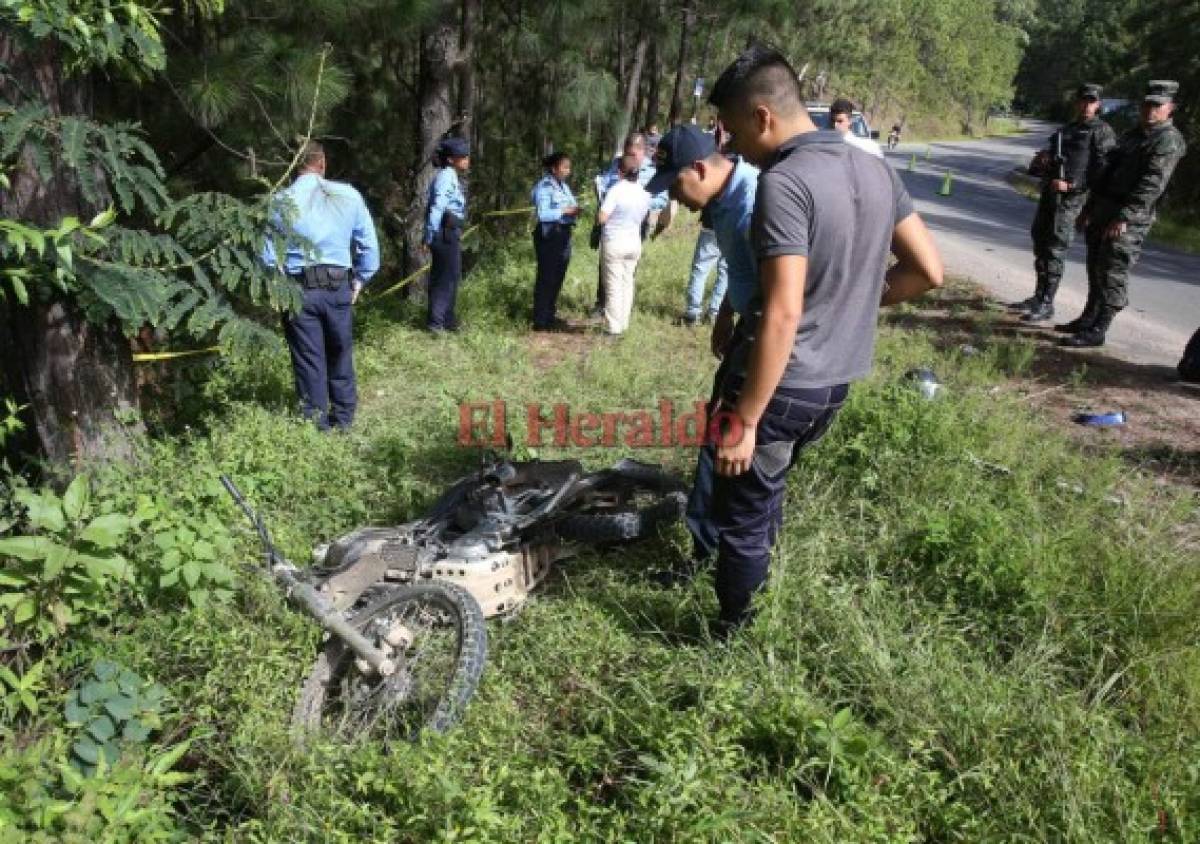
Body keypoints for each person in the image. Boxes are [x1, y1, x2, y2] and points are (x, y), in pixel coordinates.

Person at [702, 45, 943, 632]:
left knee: (741, 514)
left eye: (734, 132)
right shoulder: (876, 168)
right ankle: (758, 605)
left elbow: (783, 313)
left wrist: (749, 418)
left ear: (763, 116)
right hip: (836, 380)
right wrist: (857, 302)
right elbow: (928, 271)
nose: (734, 149)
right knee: (766, 493)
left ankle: (732, 639)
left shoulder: (785, 182)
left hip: (782, 383)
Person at [640, 125, 760, 583]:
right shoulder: (724, 201)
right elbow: (743, 270)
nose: (678, 198)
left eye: (676, 185)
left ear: (699, 168)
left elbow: (783, 296)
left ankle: (712, 561)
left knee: (723, 445)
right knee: (720, 440)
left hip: (770, 336)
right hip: (749, 326)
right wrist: (727, 314)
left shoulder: (755, 203)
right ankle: (719, 552)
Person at [262, 141, 380, 431]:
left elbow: (266, 256)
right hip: (338, 285)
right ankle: (344, 422)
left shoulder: (279, 202)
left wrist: (278, 287)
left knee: (308, 359)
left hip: (298, 289)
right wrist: (360, 279)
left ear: (292, 166)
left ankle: (317, 426)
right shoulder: (348, 195)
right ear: (322, 162)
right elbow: (369, 247)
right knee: (340, 352)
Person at [1061, 80, 1187, 348]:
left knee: (1113, 271)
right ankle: (1088, 318)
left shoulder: (1168, 140)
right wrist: (1090, 207)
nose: (1150, 110)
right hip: (1105, 208)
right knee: (1096, 267)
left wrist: (1125, 217)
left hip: (1129, 217)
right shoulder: (1133, 135)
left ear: (1170, 108)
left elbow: (1152, 183)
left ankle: (1099, 329)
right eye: (1146, 105)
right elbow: (1107, 173)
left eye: (1157, 106)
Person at [1019, 84, 1115, 323]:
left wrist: (1073, 186)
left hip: (1072, 201)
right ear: (1077, 102)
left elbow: (1103, 172)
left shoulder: (1101, 131)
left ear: (1098, 104)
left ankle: (1047, 303)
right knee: (1040, 244)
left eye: (1091, 101)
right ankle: (1038, 295)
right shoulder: (1066, 130)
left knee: (1055, 248)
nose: (1086, 105)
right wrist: (1042, 162)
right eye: (1083, 100)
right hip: (1050, 195)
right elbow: (1044, 163)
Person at [590, 134, 669, 315]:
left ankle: (621, 309)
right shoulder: (615, 165)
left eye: (633, 155)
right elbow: (604, 185)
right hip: (610, 221)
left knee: (627, 267)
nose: (629, 158)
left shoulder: (651, 170)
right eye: (627, 154)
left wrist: (638, 203)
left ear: (642, 152)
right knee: (606, 264)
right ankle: (602, 303)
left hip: (636, 223)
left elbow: (661, 198)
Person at [597, 154, 652, 336]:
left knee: (613, 285)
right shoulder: (644, 192)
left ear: (620, 172)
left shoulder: (616, 190)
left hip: (614, 241)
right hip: (634, 241)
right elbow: (644, 217)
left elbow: (602, 217)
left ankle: (613, 328)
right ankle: (623, 323)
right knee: (627, 283)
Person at [424, 137, 470, 334]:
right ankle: (436, 323)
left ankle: (448, 320)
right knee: (444, 278)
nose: (467, 159)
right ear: (451, 159)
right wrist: (429, 235)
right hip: (443, 233)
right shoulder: (446, 176)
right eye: (463, 156)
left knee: (452, 276)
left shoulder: (451, 175)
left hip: (450, 232)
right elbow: (437, 206)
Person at [531, 152, 581, 330]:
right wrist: (564, 212)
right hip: (549, 235)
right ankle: (540, 319)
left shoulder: (563, 187)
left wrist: (575, 211)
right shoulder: (544, 187)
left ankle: (550, 314)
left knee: (558, 275)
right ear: (554, 169)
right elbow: (543, 214)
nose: (568, 171)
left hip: (563, 235)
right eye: (564, 167)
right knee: (547, 277)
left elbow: (571, 204)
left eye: (569, 167)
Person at [678, 212, 729, 327]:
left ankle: (692, 314)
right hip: (734, 226)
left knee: (700, 270)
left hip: (712, 224)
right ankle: (714, 313)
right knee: (725, 272)